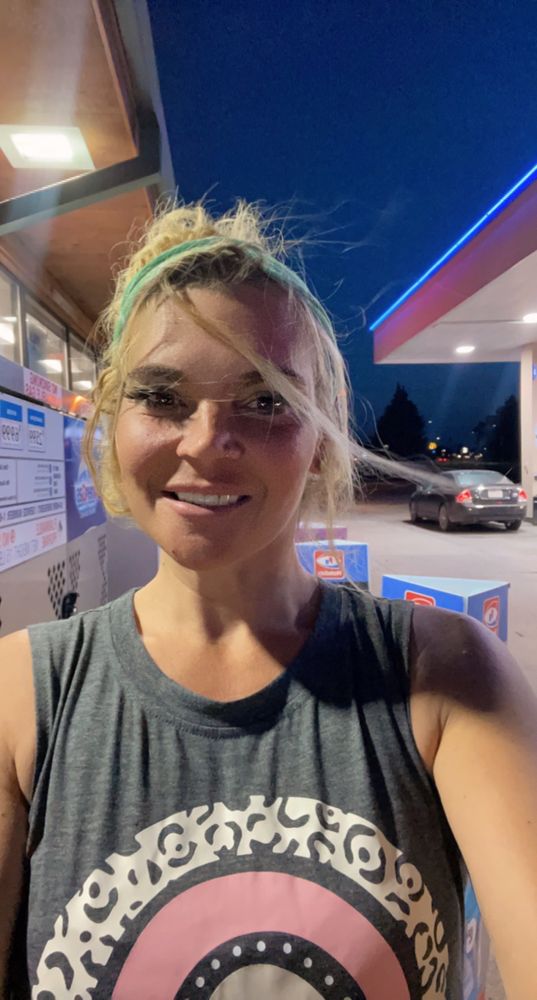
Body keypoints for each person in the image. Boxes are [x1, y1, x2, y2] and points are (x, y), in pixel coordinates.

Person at [0, 200, 536, 1000]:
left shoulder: (446, 676)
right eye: (161, 396)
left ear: (319, 437)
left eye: (264, 400)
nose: (205, 442)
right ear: (113, 421)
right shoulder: (21, 696)